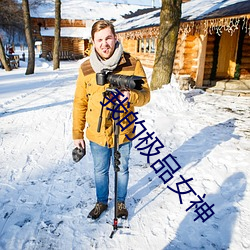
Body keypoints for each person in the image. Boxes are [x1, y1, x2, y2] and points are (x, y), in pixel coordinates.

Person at [72, 20, 150, 220]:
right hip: (97, 133)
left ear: (115, 38)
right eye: (100, 40)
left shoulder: (132, 63)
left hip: (124, 129)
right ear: (93, 42)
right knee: (100, 170)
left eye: (108, 38)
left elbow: (146, 95)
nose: (104, 43)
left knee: (122, 168)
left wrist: (130, 96)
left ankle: (121, 202)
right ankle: (101, 202)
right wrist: (77, 134)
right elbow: (80, 102)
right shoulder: (86, 68)